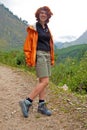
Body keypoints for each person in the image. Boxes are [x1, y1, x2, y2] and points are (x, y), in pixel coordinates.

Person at [19, 6, 55, 118]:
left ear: (48, 16)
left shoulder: (46, 28)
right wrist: (29, 58)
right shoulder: (34, 28)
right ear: (38, 15)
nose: (43, 14)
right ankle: (27, 101)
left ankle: (41, 106)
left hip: (47, 55)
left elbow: (50, 43)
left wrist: (51, 57)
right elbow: (28, 44)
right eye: (41, 13)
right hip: (39, 55)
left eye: (45, 13)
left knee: (42, 81)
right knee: (45, 81)